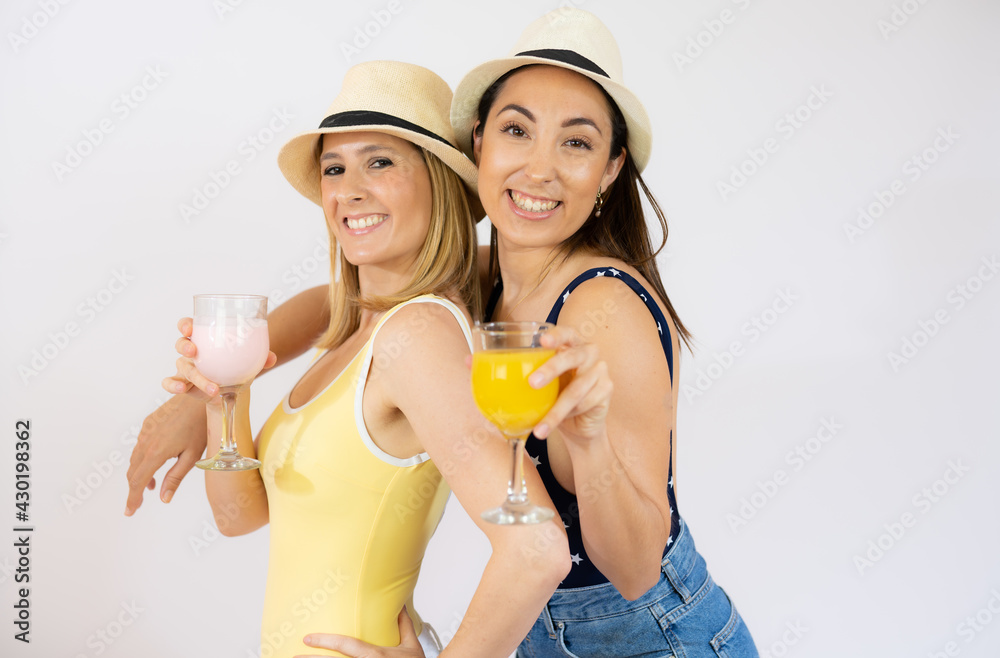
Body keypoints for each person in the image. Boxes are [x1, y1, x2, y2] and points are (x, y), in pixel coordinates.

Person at [128, 9, 759, 658]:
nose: (539, 169)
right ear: (480, 143)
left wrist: (592, 445)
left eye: (575, 142)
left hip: (654, 637)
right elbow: (336, 303)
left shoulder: (603, 310)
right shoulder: (489, 277)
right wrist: (213, 385)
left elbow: (635, 571)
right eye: (518, 131)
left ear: (609, 169)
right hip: (541, 635)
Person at [154, 60, 572, 658]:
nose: (349, 188)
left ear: (441, 182)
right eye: (334, 168)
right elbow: (241, 518)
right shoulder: (360, 334)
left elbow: (536, 549)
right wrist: (225, 393)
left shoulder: (419, 334)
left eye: (380, 162)